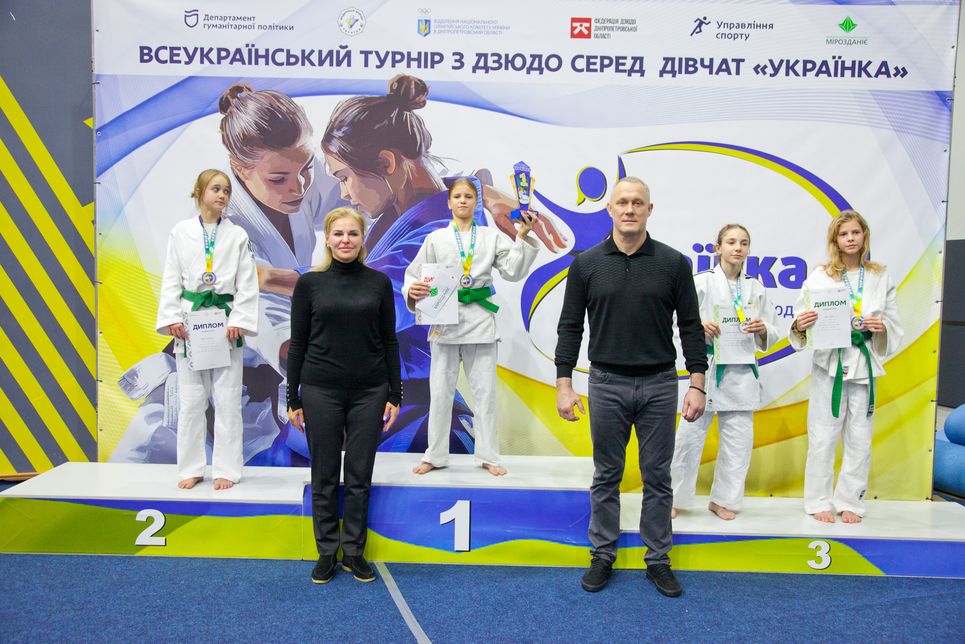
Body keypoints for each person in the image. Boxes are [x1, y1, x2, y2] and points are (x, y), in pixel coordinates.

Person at [321, 73, 564, 456]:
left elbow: (373, 298)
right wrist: (483, 191)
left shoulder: (442, 231)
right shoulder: (415, 218)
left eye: (345, 178)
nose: (344, 193)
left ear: (385, 162)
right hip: (391, 386)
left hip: (414, 401)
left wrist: (270, 278)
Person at [555, 177, 707, 597]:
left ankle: (658, 560)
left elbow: (691, 327)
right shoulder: (586, 264)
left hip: (661, 384)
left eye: (637, 203)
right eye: (622, 202)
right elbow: (570, 327)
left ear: (649, 210)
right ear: (609, 209)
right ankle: (602, 555)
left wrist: (697, 383)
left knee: (658, 477)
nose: (629, 209)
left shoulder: (674, 264)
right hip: (605, 383)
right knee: (607, 475)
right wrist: (564, 384)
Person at [286, 207, 402, 584]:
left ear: (362, 238)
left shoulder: (379, 283)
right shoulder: (309, 284)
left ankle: (353, 551)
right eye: (338, 234)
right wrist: (292, 398)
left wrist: (395, 394)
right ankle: (326, 552)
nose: (345, 240)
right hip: (320, 390)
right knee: (323, 474)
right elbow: (298, 343)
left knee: (358, 474)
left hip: (371, 391)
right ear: (327, 238)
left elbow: (389, 341)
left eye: (353, 233)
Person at [402, 177, 539, 476]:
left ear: (476, 202)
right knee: (440, 393)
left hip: (479, 319)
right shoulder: (436, 239)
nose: (463, 201)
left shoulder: (490, 237)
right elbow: (413, 275)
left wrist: (522, 236)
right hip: (444, 321)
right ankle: (435, 454)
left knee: (484, 393)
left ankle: (488, 455)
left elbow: (513, 270)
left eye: (468, 196)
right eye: (457, 196)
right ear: (449, 202)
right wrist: (412, 290)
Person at [789, 210, 902, 524]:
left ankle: (851, 501)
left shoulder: (880, 276)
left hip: (864, 362)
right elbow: (800, 319)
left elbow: (894, 322)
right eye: (844, 234)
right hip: (830, 364)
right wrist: (800, 324)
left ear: (864, 236)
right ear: (835, 240)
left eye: (855, 232)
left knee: (860, 437)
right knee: (823, 435)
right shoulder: (820, 276)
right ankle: (818, 500)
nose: (850, 239)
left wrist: (882, 327)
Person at [155, 169, 259, 490]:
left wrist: (240, 319)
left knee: (227, 400)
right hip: (191, 324)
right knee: (191, 400)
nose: (222, 195)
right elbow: (171, 277)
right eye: (216, 189)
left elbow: (247, 282)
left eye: (226, 190)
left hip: (226, 324)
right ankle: (191, 467)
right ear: (199, 192)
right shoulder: (180, 232)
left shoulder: (237, 235)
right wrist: (172, 316)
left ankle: (227, 468)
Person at [669, 224, 779, 521]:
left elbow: (774, 329)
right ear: (718, 248)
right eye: (731, 242)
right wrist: (698, 327)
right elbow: (677, 321)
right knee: (688, 437)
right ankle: (672, 497)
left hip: (740, 370)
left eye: (743, 243)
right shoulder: (701, 282)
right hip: (705, 369)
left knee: (738, 442)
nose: (738, 248)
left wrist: (763, 329)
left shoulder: (755, 287)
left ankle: (723, 500)